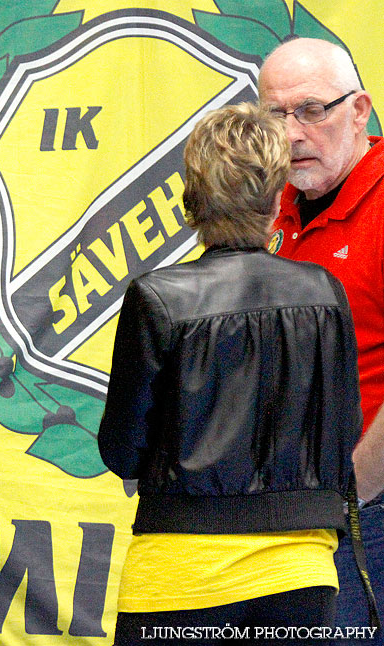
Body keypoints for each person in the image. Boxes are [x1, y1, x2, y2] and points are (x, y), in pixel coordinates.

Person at [98, 102, 362, 646]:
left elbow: (122, 451)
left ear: (191, 201)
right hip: (303, 575)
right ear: (275, 198)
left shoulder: (157, 298)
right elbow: (342, 432)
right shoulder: (325, 293)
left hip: (180, 573)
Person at [259, 37, 384, 638]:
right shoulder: (268, 205)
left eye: (311, 111)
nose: (289, 135)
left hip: (364, 514)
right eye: (273, 115)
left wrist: (354, 493)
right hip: (281, 513)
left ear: (359, 110)